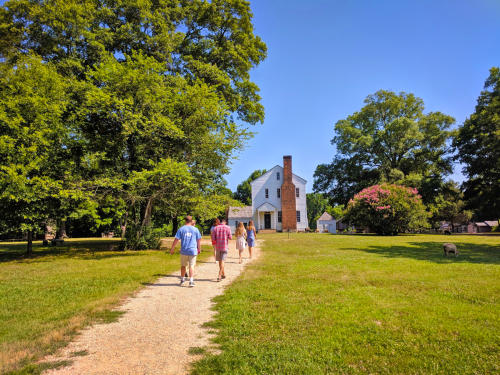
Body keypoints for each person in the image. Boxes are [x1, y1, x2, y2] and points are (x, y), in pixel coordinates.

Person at [169, 216, 201, 287]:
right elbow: (198, 240)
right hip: (192, 250)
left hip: (184, 250)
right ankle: (191, 281)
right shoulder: (195, 229)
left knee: (183, 265)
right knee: (191, 266)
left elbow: (176, 239)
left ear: (185, 221)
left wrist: (172, 248)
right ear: (191, 221)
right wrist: (199, 248)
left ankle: (182, 279)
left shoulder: (181, 229)